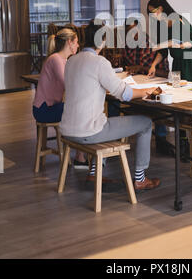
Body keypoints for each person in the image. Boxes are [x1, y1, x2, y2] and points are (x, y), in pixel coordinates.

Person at [60, 21, 161, 192]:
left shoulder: (71, 61)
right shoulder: (99, 62)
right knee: (145, 123)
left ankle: (93, 173)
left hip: (68, 130)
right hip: (89, 132)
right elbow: (125, 94)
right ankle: (140, 179)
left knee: (109, 121)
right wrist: (147, 90)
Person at [147, 0, 192, 161]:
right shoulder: (162, 26)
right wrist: (154, 65)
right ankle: (183, 142)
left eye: (153, 12)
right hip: (177, 64)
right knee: (178, 103)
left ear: (162, 8)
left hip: (191, 63)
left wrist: (175, 43)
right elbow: (163, 51)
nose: (152, 15)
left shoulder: (179, 21)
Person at [107, 18, 171, 157]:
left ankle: (161, 139)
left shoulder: (153, 44)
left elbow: (166, 74)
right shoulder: (127, 45)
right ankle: (112, 139)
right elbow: (124, 67)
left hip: (151, 85)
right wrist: (118, 62)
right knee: (113, 99)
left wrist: (142, 68)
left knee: (156, 102)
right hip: (134, 85)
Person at [32, 27, 87, 168]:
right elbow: (68, 83)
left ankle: (79, 155)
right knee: (78, 111)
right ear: (69, 42)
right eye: (76, 42)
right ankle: (80, 157)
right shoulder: (55, 60)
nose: (78, 45)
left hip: (50, 107)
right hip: (44, 110)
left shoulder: (63, 60)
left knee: (78, 110)